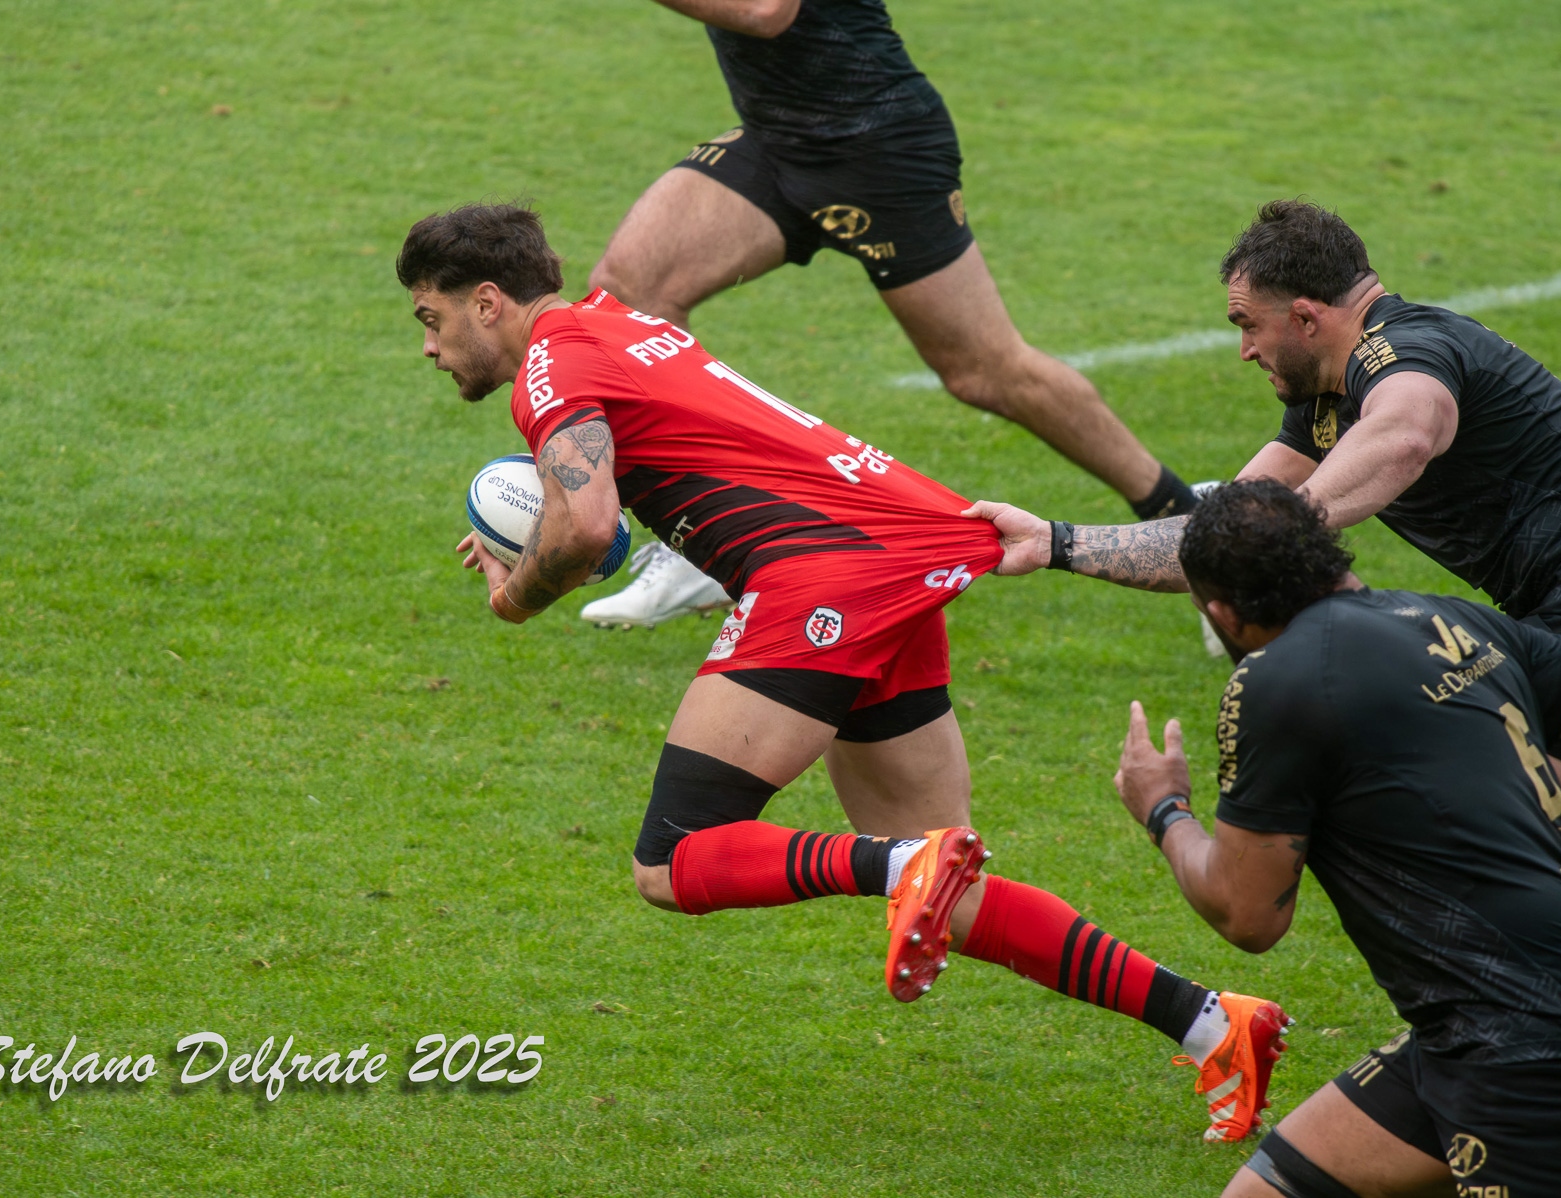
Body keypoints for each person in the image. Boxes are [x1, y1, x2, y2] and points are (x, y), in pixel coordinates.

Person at [400, 201, 1288, 1140]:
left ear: (488, 301)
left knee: (672, 861)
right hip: (898, 554)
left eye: (432, 318)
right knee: (959, 883)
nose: (430, 345)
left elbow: (584, 528)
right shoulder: (619, 323)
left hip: (825, 581)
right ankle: (1214, 1024)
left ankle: (901, 865)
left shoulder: (549, 366)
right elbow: (615, 505)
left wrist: (516, 594)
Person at [968, 199, 1561, 840]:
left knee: (1458, 834)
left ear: (1304, 317)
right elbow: (1221, 535)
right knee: (1538, 862)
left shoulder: (1407, 349)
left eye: (1247, 324)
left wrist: (1285, 530)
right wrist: (1055, 542)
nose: (1244, 351)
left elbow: (1408, 431)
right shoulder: (1323, 405)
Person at [574, 0, 1203, 629]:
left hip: (877, 145)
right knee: (628, 292)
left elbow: (767, 11)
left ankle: (1193, 525)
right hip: (778, 139)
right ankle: (706, 528)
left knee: (987, 371)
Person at [1107, 478, 1561, 1196]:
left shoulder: (1279, 682)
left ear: (1221, 613)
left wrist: (1163, 808)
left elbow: (1248, 914)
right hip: (1477, 1015)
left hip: (1529, 1043)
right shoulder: (1451, 621)